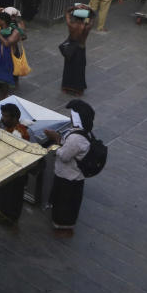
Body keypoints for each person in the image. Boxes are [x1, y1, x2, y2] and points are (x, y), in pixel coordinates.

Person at [42, 100, 95, 237]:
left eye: (72, 116)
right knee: (65, 201)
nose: (70, 118)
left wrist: (55, 146)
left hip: (69, 177)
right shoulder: (83, 132)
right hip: (71, 176)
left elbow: (65, 156)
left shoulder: (76, 138)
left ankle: (64, 228)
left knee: (65, 204)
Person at [0, 102, 30, 226]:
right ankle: (4, 214)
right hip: (8, 169)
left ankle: (10, 218)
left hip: (16, 173)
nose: (3, 118)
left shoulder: (18, 133)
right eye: (2, 115)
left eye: (6, 116)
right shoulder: (10, 128)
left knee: (12, 197)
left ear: (14, 118)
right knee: (5, 195)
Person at [61, 5, 93, 96]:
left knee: (68, 67)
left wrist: (74, 8)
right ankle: (78, 90)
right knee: (79, 69)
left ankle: (66, 87)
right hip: (80, 48)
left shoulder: (71, 25)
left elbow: (67, 12)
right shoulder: (86, 27)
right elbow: (93, 16)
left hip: (70, 48)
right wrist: (89, 10)